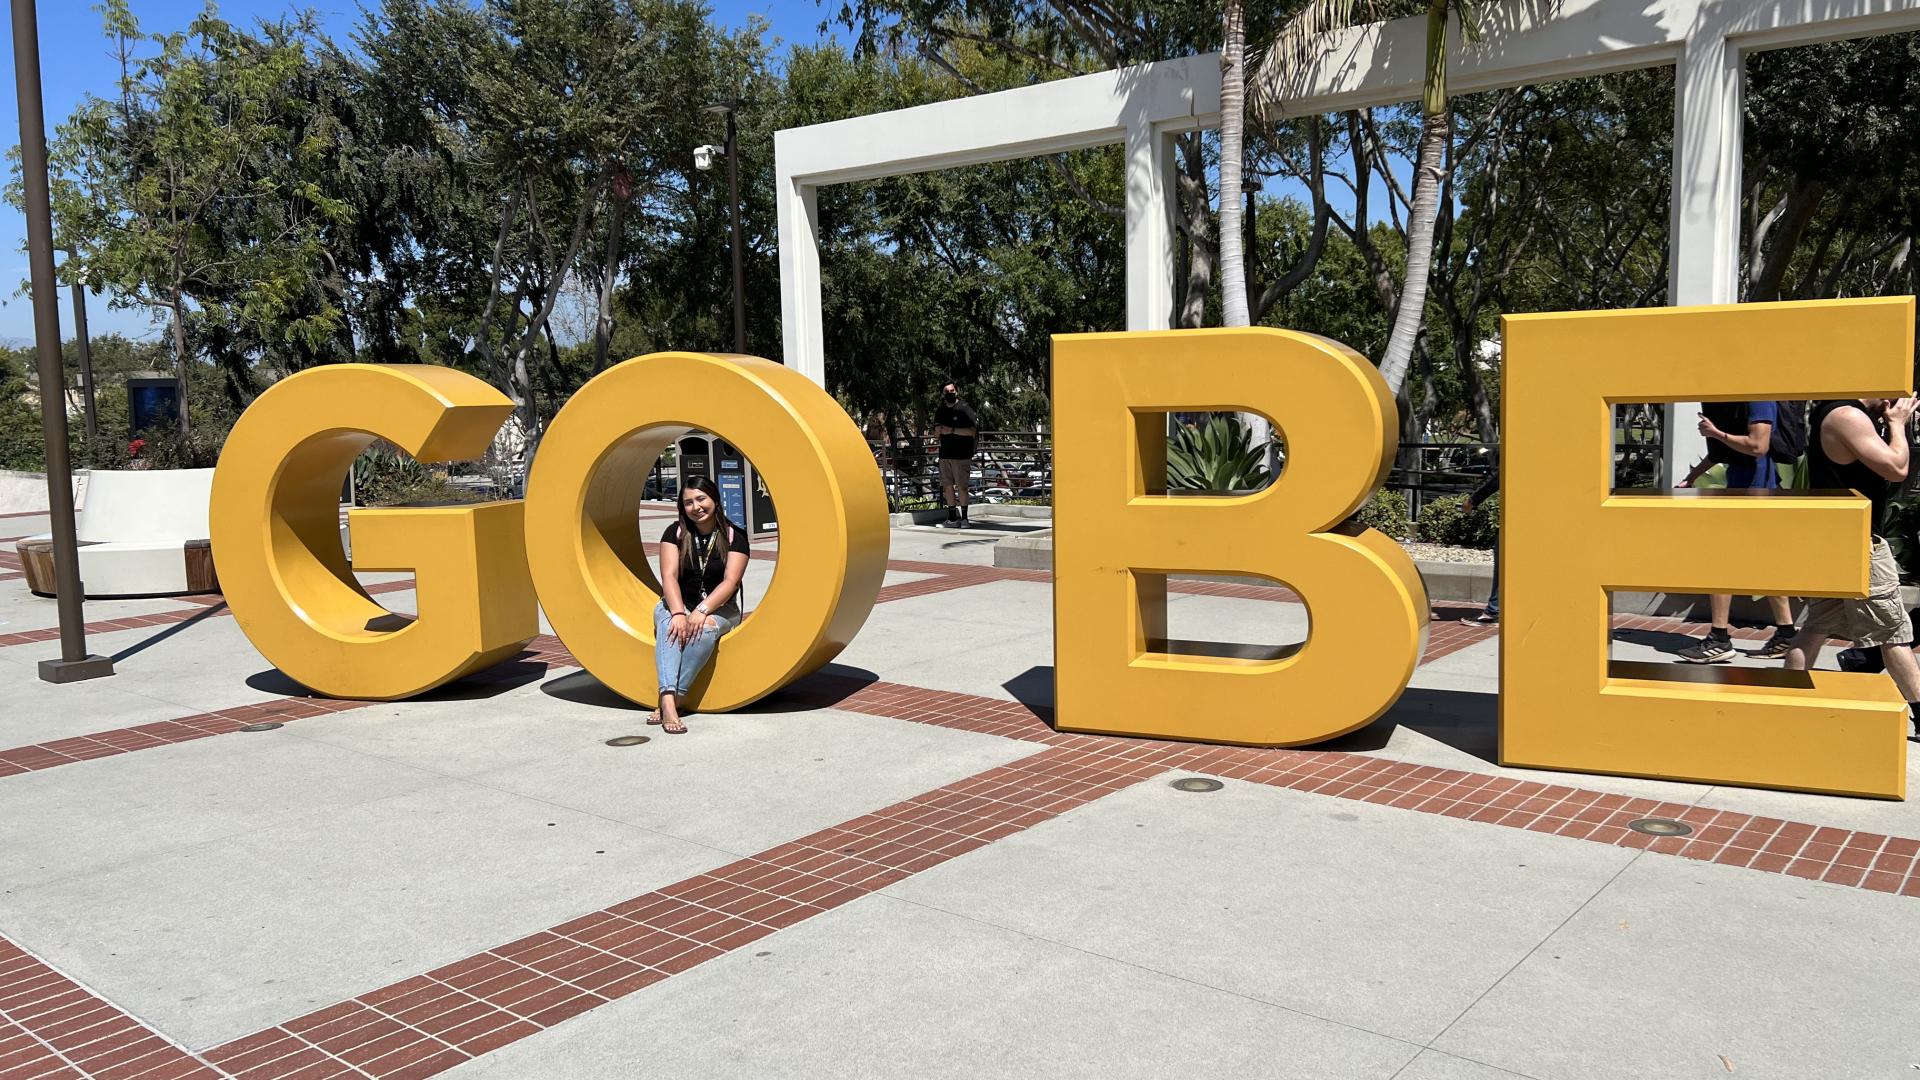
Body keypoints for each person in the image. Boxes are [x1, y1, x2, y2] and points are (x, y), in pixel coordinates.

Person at [1781, 395, 1920, 739]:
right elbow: (1897, 467)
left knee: (1816, 627)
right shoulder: (1847, 415)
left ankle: (1787, 701)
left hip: (1838, 540)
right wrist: (1898, 425)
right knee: (1894, 633)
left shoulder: (1835, 410)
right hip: (1859, 545)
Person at [1674, 402, 1800, 662]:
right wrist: (1693, 476)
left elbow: (1757, 446)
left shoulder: (1759, 398)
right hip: (1744, 489)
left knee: (1722, 564)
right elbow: (1727, 452)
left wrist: (1716, 433)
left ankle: (1719, 639)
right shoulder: (1742, 399)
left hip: (1754, 492)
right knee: (1765, 566)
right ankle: (1786, 634)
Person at [647, 477, 750, 734]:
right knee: (671, 627)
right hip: (676, 603)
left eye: (701, 499)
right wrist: (679, 612)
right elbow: (668, 576)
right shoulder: (675, 533)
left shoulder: (734, 536)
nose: (696, 507)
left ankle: (672, 699)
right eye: (688, 502)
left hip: (720, 608)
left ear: (714, 499)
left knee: (703, 630)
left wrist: (702, 610)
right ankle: (670, 703)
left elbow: (730, 582)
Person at [1460, 453, 1500, 626]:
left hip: (1522, 513)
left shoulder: (1520, 443)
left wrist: (1473, 500)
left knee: (1504, 560)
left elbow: (1498, 478)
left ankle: (1494, 611)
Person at [934, 382, 978, 529]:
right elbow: (936, 433)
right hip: (945, 454)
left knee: (962, 487)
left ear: (957, 392)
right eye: (947, 391)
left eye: (952, 391)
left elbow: (972, 432)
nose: (950, 393)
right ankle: (952, 518)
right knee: (947, 486)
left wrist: (952, 430)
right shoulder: (940, 410)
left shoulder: (965, 409)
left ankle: (965, 519)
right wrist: (938, 432)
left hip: (961, 455)